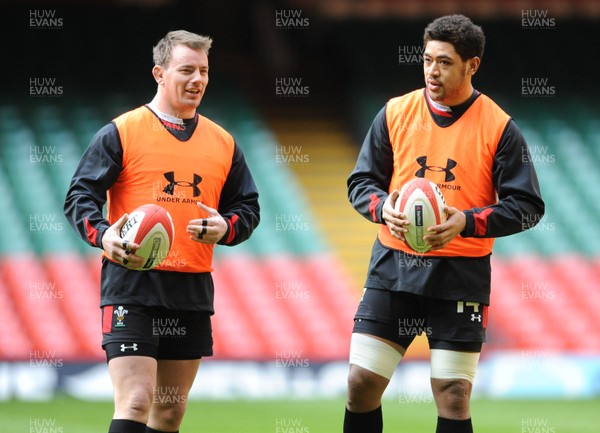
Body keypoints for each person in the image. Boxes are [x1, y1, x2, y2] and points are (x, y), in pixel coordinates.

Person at [344, 15, 544, 433]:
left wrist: (465, 223)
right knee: (361, 383)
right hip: (394, 266)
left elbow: (527, 206)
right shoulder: (395, 113)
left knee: (453, 393)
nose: (432, 71)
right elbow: (361, 183)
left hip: (460, 274)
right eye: (427, 60)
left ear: (472, 65)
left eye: (445, 63)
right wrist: (384, 209)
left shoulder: (500, 128)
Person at [64, 30, 260, 433]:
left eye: (204, 71)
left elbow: (248, 208)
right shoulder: (120, 132)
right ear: (159, 72)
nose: (198, 80)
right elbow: (79, 197)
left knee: (169, 414)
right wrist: (103, 235)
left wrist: (227, 228)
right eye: (186, 70)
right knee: (136, 400)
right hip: (132, 285)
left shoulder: (223, 142)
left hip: (191, 288)